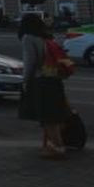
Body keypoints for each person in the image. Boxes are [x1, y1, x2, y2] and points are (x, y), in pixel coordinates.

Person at [18, 12, 69, 160]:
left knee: (47, 117)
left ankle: (57, 147)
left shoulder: (28, 38)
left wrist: (25, 81)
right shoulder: (47, 36)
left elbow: (30, 62)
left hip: (41, 81)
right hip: (55, 79)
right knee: (55, 115)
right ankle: (54, 144)